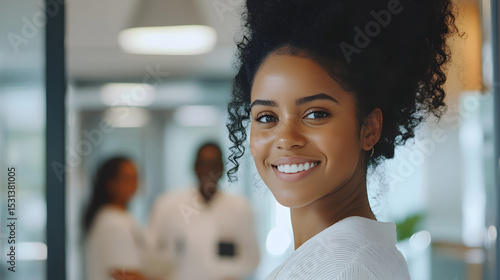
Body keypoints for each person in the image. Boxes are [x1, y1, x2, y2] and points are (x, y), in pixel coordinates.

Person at [226, 0, 460, 279]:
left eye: (316, 114)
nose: (286, 139)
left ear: (369, 128)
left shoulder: (344, 268)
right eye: (266, 117)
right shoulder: (347, 258)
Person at [148, 142, 260, 280]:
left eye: (214, 165)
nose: (209, 171)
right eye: (203, 164)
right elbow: (150, 253)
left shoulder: (240, 207)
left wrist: (228, 271)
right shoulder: (167, 204)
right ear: (195, 167)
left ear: (222, 168)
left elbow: (253, 259)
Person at [83, 156, 149, 280]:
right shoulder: (113, 221)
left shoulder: (119, 216)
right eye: (127, 179)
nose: (134, 184)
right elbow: (123, 274)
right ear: (110, 183)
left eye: (135, 178)